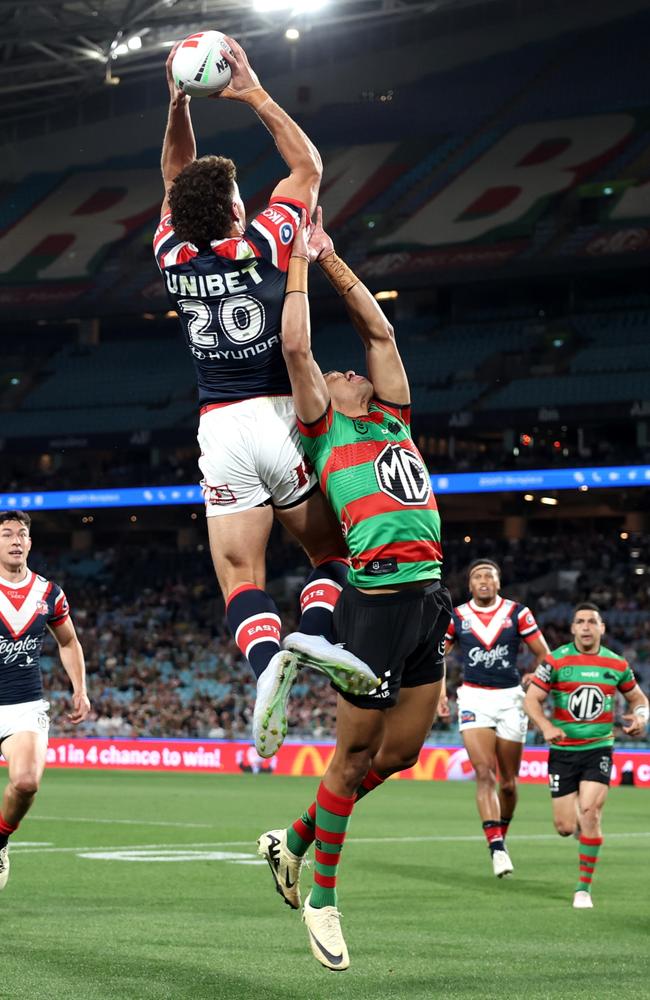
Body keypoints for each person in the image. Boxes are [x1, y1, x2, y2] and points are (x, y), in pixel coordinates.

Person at [154, 37, 377, 757]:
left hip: (219, 427)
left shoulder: (171, 254)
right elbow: (308, 164)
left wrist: (176, 103)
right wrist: (249, 92)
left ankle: (266, 664)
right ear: (233, 208)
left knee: (239, 575)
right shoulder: (271, 238)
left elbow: (172, 178)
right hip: (284, 417)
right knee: (330, 552)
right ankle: (310, 638)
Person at [256, 209, 452, 971]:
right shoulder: (324, 428)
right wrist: (299, 263)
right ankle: (324, 896)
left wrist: (333, 256)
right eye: (338, 377)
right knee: (352, 754)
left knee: (400, 754)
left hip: (428, 598)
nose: (347, 371)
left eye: (350, 373)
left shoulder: (393, 418)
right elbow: (298, 346)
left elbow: (381, 335)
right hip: (373, 601)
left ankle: (293, 839)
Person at [524, 602, 648, 909]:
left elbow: (638, 698)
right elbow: (532, 700)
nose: (586, 626)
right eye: (580, 621)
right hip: (563, 751)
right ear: (573, 628)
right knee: (566, 827)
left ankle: (583, 888)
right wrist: (546, 726)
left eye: (593, 621)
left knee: (591, 812)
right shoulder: (556, 660)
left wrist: (641, 717)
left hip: (598, 748)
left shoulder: (617, 664)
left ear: (602, 628)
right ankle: (581, 825)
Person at [0, 511, 90, 889]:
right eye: (6, 534)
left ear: (31, 543)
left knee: (25, 784)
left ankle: (0, 842)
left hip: (24, 703)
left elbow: (68, 641)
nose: (16, 540)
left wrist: (80, 688)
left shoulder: (48, 593)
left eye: (22, 534)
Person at [443, 559, 549, 877]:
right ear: (470, 584)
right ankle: (497, 848)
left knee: (508, 783)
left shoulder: (518, 613)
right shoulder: (457, 616)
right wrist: (438, 695)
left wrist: (537, 676)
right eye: (477, 575)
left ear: (499, 583)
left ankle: (500, 831)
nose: (484, 579)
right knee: (484, 773)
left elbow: (546, 655)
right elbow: (437, 657)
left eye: (490, 575)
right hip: (474, 697)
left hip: (511, 699)